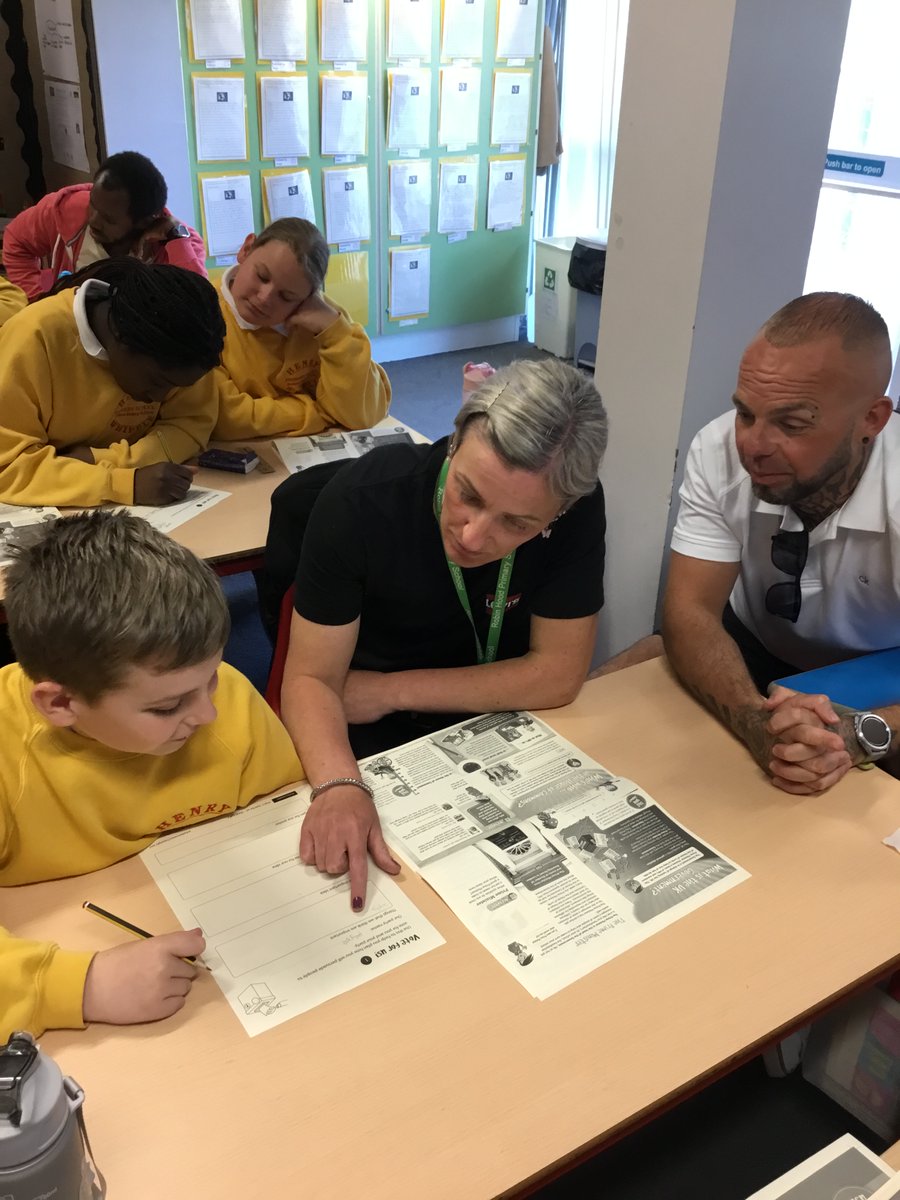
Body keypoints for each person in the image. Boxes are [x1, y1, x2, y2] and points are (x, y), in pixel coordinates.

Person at [278, 358, 608, 908]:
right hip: (372, 737)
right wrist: (340, 786)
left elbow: (557, 674)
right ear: (454, 442)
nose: (476, 536)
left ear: (562, 509)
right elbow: (312, 676)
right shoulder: (360, 503)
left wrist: (390, 690)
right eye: (468, 495)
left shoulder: (580, 508)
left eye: (518, 524)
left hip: (496, 720)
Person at [0, 510, 302, 1037]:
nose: (209, 713)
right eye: (166, 708)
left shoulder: (221, 695)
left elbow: (284, 818)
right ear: (61, 703)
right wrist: (79, 985)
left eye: (212, 677)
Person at [663, 291, 900, 796]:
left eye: (792, 424)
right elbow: (690, 612)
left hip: (882, 673)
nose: (753, 445)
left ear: (872, 420)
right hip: (752, 646)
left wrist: (861, 734)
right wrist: (756, 725)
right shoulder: (718, 449)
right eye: (746, 413)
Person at [0, 258, 225, 506]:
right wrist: (122, 484)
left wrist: (104, 460)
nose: (161, 398)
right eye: (157, 382)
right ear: (121, 339)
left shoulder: (186, 343)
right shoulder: (32, 338)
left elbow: (192, 423)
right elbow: (8, 468)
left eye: (177, 387)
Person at [213, 217, 390, 439]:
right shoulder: (203, 311)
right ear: (246, 249)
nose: (264, 298)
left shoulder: (326, 318)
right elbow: (225, 417)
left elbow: (364, 414)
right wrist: (320, 412)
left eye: (286, 297)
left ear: (308, 297)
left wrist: (336, 335)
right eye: (261, 276)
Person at [3, 150, 206, 300]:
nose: (94, 221)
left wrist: (177, 239)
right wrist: (35, 299)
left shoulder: (180, 245)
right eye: (93, 204)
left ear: (144, 221)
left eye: (109, 219)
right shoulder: (65, 210)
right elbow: (16, 241)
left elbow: (198, 304)